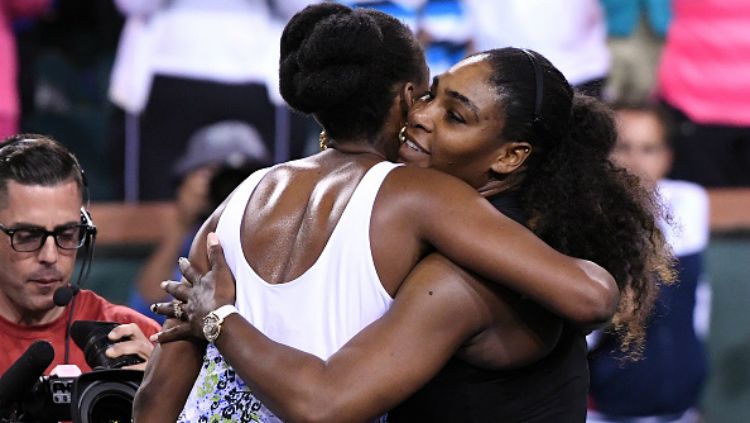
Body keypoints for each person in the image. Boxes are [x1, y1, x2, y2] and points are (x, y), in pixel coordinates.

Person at [134, 5, 626, 422]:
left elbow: (155, 402)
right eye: (431, 96)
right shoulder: (423, 198)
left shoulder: (238, 200)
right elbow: (592, 294)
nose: (425, 117)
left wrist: (217, 316)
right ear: (407, 97)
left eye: (454, 115)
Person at [587, 103, 709, 423]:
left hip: (681, 410)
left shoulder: (689, 202)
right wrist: (605, 317)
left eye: (648, 149)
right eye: (623, 147)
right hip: (607, 412)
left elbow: (696, 302)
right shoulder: (582, 222)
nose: (635, 162)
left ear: (667, 156)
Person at [0, 134, 160, 375]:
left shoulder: (133, 338)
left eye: (67, 234)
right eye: (28, 236)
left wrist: (154, 396)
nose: (50, 256)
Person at [128, 120, 271, 322]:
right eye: (219, 176)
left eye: (243, 177)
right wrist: (182, 220)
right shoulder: (194, 243)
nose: (234, 188)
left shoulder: (277, 234)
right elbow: (146, 309)